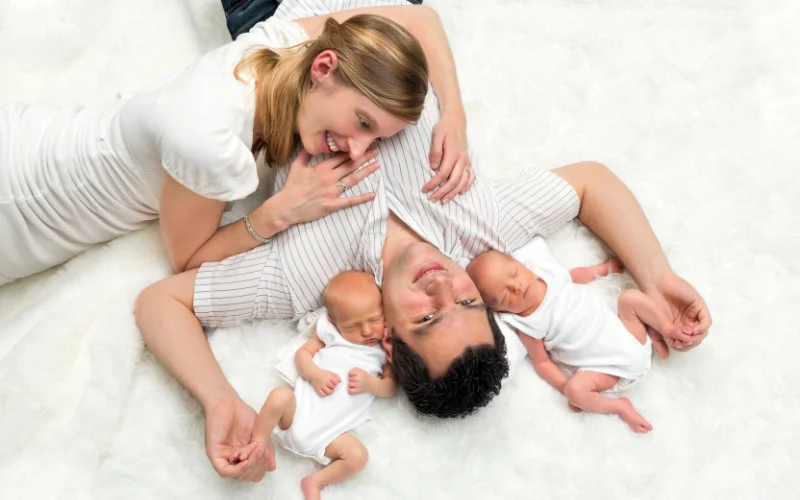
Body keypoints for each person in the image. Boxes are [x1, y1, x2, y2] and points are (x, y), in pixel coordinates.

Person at [1, 3, 474, 285]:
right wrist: (281, 211)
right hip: (18, 214)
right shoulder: (210, 140)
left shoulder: (284, 44)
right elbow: (187, 260)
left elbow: (420, 19)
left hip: (34, 132)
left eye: (375, 137)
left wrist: (452, 114)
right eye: (363, 121)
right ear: (325, 68)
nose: (357, 149)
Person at [467, 239, 685, 434]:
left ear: (522, 265)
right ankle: (620, 407)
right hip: (607, 369)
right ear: (501, 310)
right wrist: (565, 387)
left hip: (630, 336)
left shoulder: (549, 275)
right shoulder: (526, 324)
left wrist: (604, 268)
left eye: (514, 273)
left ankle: (664, 330)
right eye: (505, 294)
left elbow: (576, 276)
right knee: (576, 391)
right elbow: (542, 362)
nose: (516, 286)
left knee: (630, 298)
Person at [234, 271, 395, 499]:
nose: (367, 331)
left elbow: (390, 387)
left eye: (375, 319)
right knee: (280, 396)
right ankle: (258, 442)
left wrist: (372, 384)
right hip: (296, 417)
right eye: (352, 326)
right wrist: (315, 375)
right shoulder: (330, 333)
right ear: (333, 321)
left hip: (332, 436)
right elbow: (302, 356)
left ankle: (315, 482)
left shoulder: (383, 349)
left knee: (358, 456)